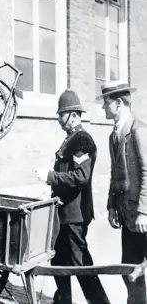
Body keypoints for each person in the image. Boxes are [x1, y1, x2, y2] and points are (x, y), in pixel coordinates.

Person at [36, 89, 110, 304]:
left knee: (81, 265)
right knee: (59, 261)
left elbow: (81, 176)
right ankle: (62, 301)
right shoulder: (70, 140)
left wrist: (50, 177)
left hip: (74, 215)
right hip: (62, 212)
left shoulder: (82, 141)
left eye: (62, 115)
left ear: (74, 115)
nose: (59, 119)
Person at [99, 80, 147, 304]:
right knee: (129, 267)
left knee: (136, 266)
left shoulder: (138, 130)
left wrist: (143, 211)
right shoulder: (113, 135)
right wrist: (111, 205)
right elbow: (115, 173)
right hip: (127, 215)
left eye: (106, 103)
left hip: (141, 216)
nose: (102, 108)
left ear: (118, 103)